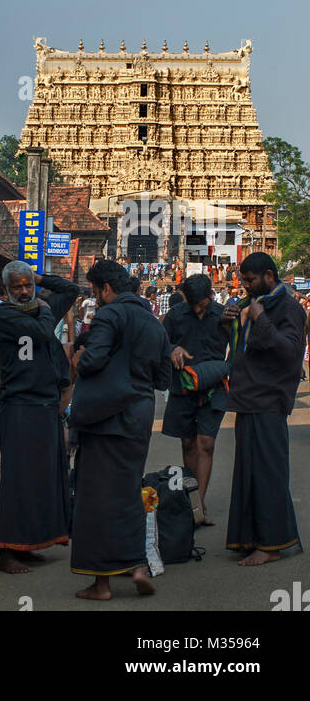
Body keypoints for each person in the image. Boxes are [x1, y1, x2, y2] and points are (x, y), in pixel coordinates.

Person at [69, 259, 171, 601]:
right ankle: (138, 567)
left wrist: (76, 359)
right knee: (128, 492)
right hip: (140, 416)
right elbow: (164, 377)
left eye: (96, 292)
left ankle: (101, 585)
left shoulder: (110, 315)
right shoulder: (154, 322)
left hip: (106, 418)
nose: (96, 299)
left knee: (95, 498)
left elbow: (92, 360)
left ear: (106, 290)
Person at [0, 260, 71, 574]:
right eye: (17, 287)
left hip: (46, 405)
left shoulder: (39, 306)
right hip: (20, 406)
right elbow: (41, 330)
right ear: (7, 290)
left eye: (27, 285)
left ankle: (29, 543)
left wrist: (40, 277)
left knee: (44, 477)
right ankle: (6, 552)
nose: (24, 291)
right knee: (18, 479)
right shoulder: (4, 313)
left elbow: (71, 289)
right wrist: (45, 306)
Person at [224, 253, 307, 565]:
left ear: (269, 276)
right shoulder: (252, 304)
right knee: (249, 472)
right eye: (244, 280)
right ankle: (250, 538)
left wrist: (260, 318)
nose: (246, 286)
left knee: (268, 472)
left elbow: (289, 352)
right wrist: (230, 320)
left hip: (269, 400)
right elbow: (240, 347)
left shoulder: (288, 308)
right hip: (249, 398)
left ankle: (271, 545)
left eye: (250, 280)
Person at [162, 273, 229, 525]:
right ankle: (191, 502)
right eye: (193, 305)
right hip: (183, 387)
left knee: (206, 443)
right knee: (188, 443)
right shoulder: (176, 314)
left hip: (213, 387)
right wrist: (172, 349)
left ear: (210, 296)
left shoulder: (224, 314)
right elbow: (160, 341)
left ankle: (199, 505)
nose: (198, 309)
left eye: (201, 303)